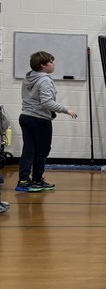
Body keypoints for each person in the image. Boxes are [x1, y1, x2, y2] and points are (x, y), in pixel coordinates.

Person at [16, 51, 78, 193]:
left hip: (26, 117)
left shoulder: (28, 77)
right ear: (42, 65)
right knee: (41, 151)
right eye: (51, 62)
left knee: (28, 150)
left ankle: (23, 181)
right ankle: (37, 180)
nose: (53, 64)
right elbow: (47, 103)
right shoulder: (44, 80)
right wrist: (66, 110)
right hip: (39, 119)